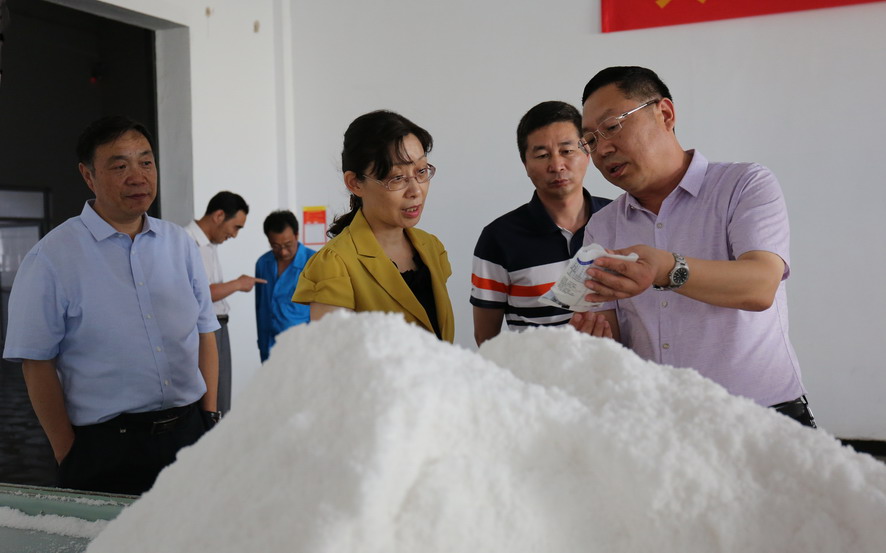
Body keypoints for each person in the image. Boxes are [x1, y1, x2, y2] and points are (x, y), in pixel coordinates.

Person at [573, 66, 814, 427]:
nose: (603, 149)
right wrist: (594, 338)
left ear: (665, 114)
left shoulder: (744, 185)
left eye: (612, 126)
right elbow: (611, 335)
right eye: (590, 141)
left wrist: (666, 269)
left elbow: (760, 285)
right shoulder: (602, 226)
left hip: (763, 419)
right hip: (663, 424)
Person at [2, 115, 221, 495]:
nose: (138, 177)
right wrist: (68, 453)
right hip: (107, 447)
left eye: (146, 162)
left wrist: (210, 418)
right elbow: (36, 362)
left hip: (189, 436)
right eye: (120, 166)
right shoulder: (52, 257)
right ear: (88, 176)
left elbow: (205, 332)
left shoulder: (179, 244)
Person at [293, 110, 454, 342]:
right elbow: (333, 359)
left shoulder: (431, 247)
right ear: (355, 183)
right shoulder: (334, 265)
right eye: (397, 177)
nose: (416, 190)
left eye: (421, 171)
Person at [470, 101, 611, 346]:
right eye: (542, 155)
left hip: (620, 369)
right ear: (525, 164)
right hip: (539, 371)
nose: (557, 166)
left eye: (567, 151)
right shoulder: (498, 238)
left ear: (587, 151)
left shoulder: (619, 218)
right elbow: (486, 340)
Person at [185, 191, 265, 414]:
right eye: (236, 227)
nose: (234, 235)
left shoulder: (208, 245)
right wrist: (238, 284)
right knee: (210, 402)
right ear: (219, 216)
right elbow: (201, 293)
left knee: (220, 400)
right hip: (203, 331)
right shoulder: (187, 241)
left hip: (217, 326)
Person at [255, 210, 316, 362]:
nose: (283, 252)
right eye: (275, 246)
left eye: (288, 245)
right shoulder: (263, 263)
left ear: (296, 235)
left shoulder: (314, 262)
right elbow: (260, 307)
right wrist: (262, 344)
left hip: (303, 348)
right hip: (269, 346)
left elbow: (322, 312)